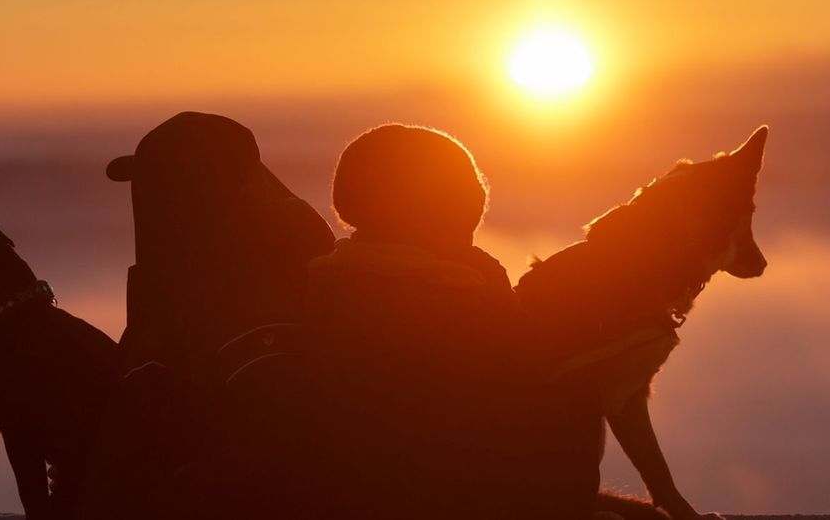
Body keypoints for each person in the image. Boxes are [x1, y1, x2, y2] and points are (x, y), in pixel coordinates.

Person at [75, 112, 335, 520]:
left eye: (162, 185)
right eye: (145, 185)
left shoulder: (258, 288)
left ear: (204, 190)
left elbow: (262, 445)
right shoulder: (177, 280)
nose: (146, 200)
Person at [302, 124, 562, 519]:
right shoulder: (469, 299)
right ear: (454, 210)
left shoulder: (321, 283)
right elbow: (541, 409)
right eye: (468, 201)